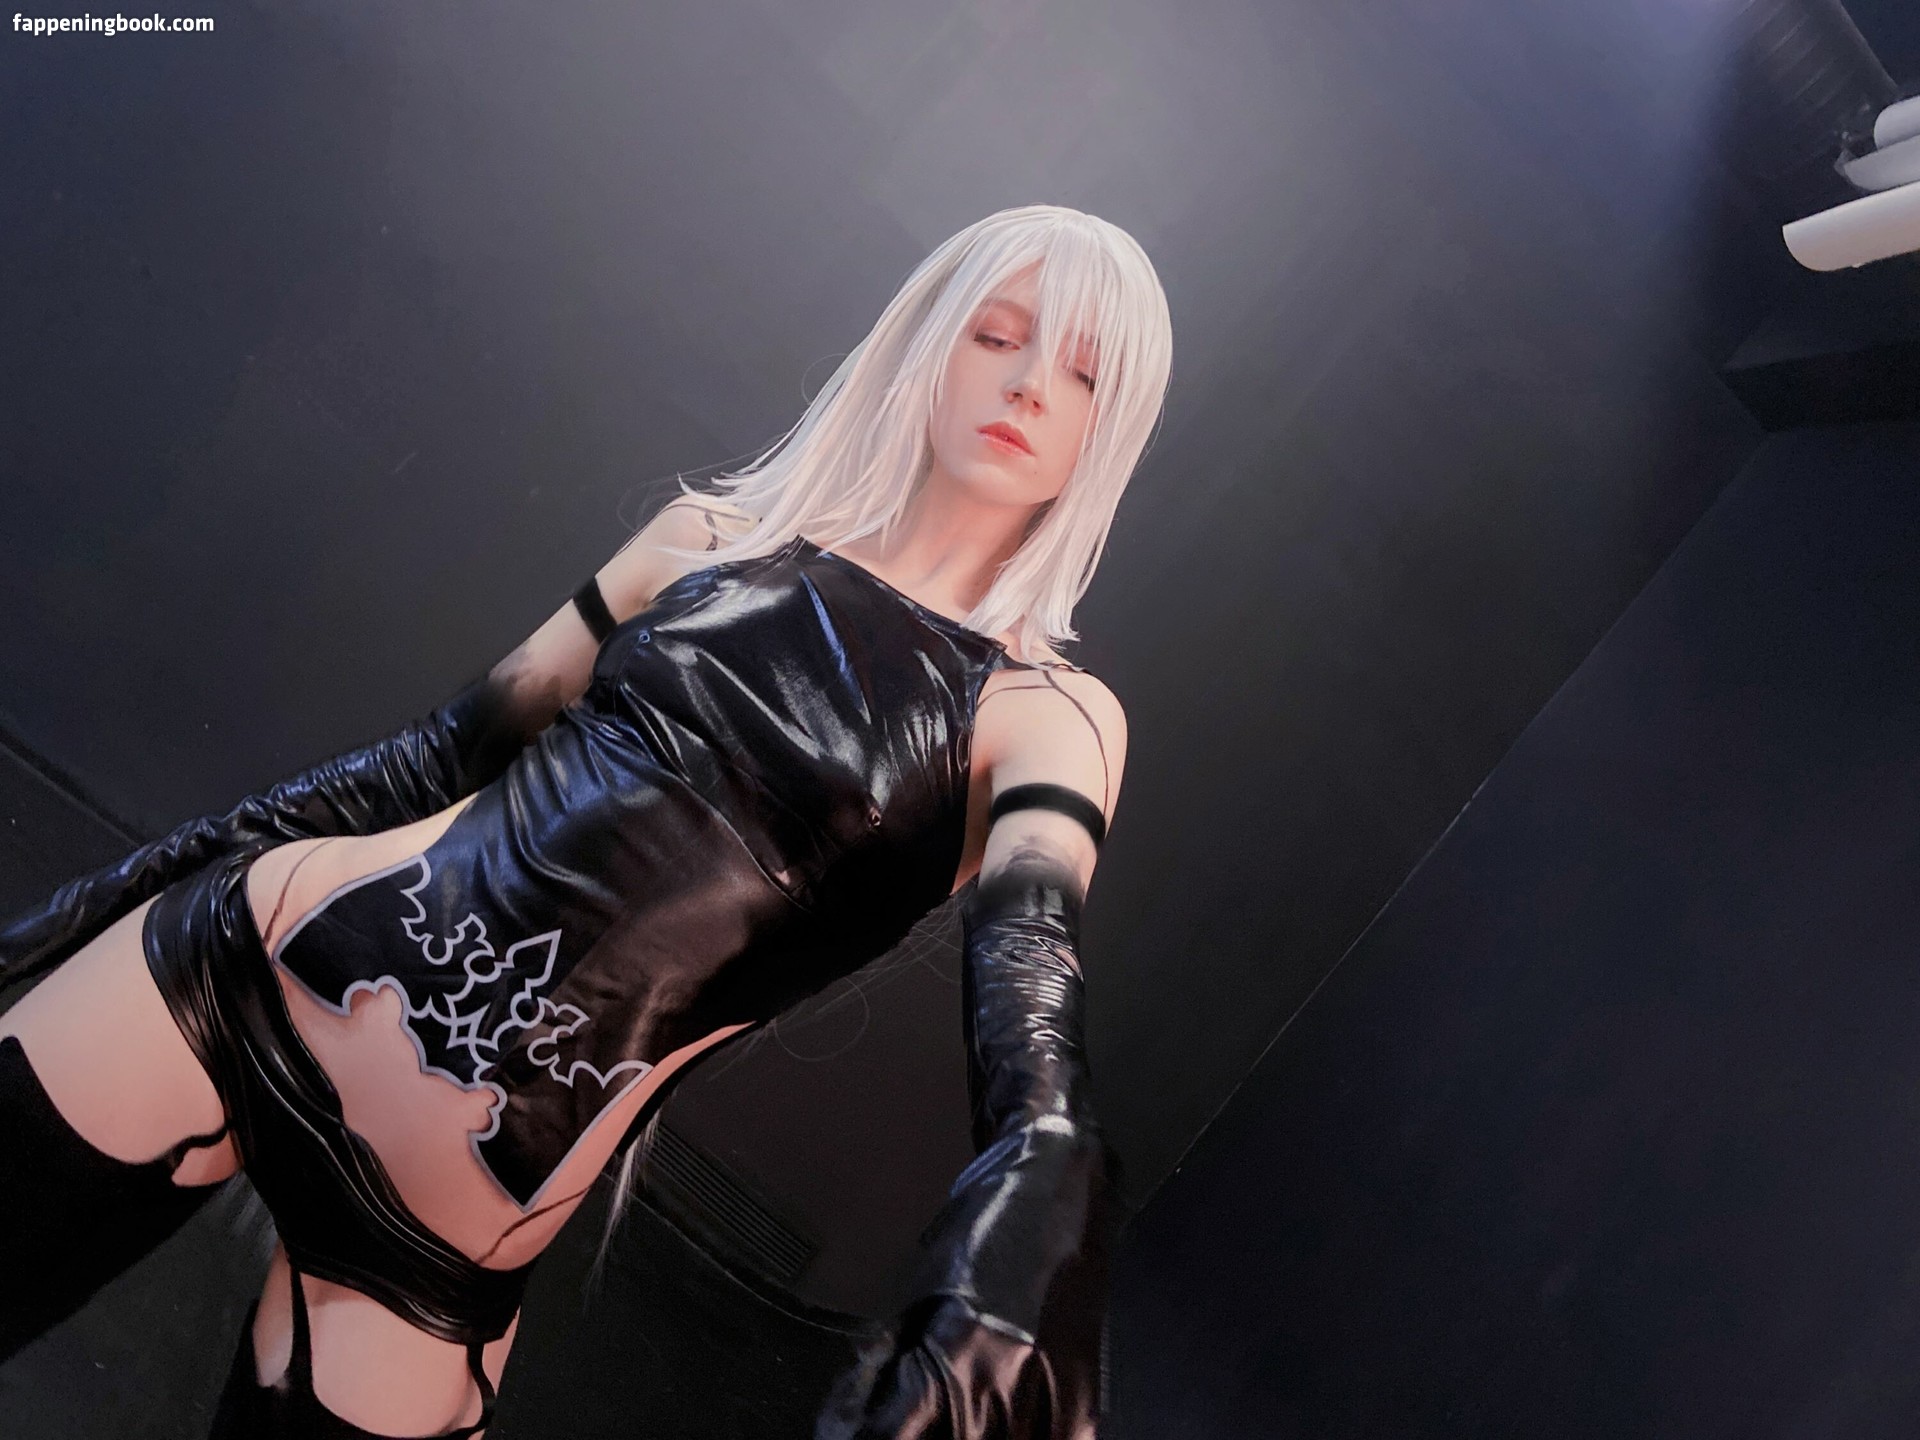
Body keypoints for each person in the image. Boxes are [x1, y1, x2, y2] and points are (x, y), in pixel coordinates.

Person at [0, 202, 1173, 1438]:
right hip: (237, 972)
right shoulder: (710, 541)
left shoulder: (1047, 718)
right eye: (998, 333)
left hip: (442, 1230)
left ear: (1112, 428)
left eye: (1084, 371)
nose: (1031, 385)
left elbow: (1030, 980)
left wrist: (1041, 1201)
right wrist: (144, 883)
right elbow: (435, 762)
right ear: (930, 343)